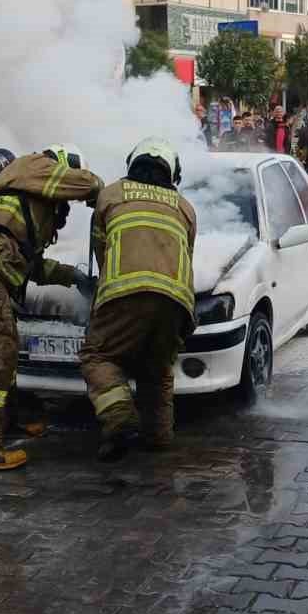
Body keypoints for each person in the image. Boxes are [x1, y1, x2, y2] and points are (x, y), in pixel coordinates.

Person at [0, 144, 101, 470]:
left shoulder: (27, 197)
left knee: (5, 348)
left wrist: (74, 277)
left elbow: (32, 265)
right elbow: (88, 183)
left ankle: (4, 421)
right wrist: (99, 192)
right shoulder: (35, 166)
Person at [80, 138, 197, 462]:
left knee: (98, 356)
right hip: (176, 301)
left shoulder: (112, 194)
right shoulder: (184, 207)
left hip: (124, 293)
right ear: (172, 172)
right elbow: (187, 255)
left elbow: (101, 250)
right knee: (157, 369)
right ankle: (158, 437)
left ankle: (120, 419)